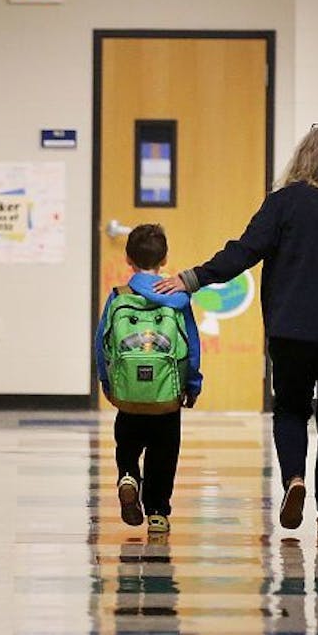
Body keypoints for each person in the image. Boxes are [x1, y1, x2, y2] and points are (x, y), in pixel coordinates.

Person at [156, 124, 318, 536]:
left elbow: (244, 251)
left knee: (291, 409)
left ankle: (294, 479)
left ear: (303, 158)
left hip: (292, 328)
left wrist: (192, 278)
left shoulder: (284, 204)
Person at [95, 224, 203, 535]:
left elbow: (102, 344)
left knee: (126, 443)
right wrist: (192, 385)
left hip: (128, 396)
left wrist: (107, 382)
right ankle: (157, 512)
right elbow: (191, 346)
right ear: (165, 258)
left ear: (128, 259)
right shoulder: (178, 299)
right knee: (164, 453)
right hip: (166, 398)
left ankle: (128, 476)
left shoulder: (119, 297)